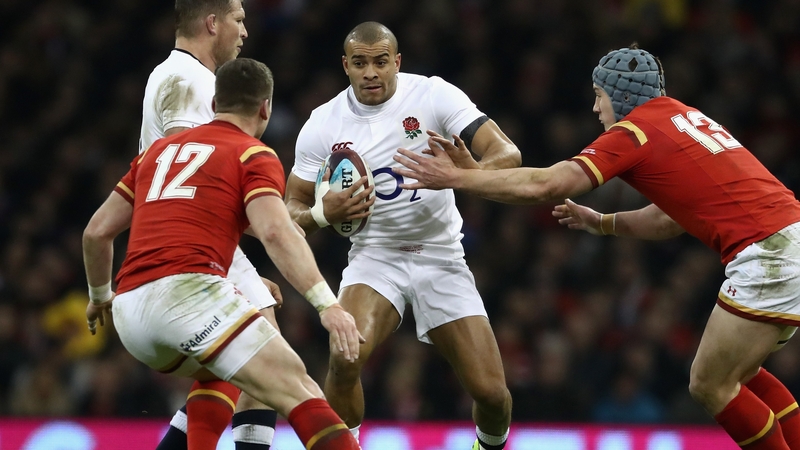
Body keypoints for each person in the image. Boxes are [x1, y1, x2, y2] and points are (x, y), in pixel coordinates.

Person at [393, 44, 800, 450]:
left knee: (710, 383)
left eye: (598, 96)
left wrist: (457, 179)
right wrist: (602, 223)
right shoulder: (682, 116)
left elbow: (550, 184)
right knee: (739, 375)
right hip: (789, 236)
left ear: (619, 96)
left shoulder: (633, 131)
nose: (595, 109)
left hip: (768, 255)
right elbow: (669, 218)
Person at [84, 58, 364, 450]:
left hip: (129, 312)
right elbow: (274, 231)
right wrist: (326, 305)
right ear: (265, 107)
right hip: (186, 297)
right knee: (298, 386)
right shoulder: (253, 154)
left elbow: (96, 232)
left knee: (224, 370)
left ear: (214, 102)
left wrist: (100, 297)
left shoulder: (156, 153)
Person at [285, 21, 520, 450]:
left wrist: (462, 175)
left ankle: (486, 446)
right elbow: (289, 209)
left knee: (493, 396)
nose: (370, 72)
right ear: (346, 67)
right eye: (360, 63)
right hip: (375, 256)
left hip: (441, 255)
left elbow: (508, 154)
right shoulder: (323, 123)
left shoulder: (434, 95)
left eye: (379, 62)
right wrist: (322, 212)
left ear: (397, 62)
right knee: (344, 355)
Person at [139, 1, 282, 448]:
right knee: (266, 359)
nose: (244, 32)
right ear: (212, 22)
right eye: (238, 20)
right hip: (191, 247)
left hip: (200, 245)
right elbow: (194, 184)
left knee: (239, 367)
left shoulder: (181, 77)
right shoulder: (186, 82)